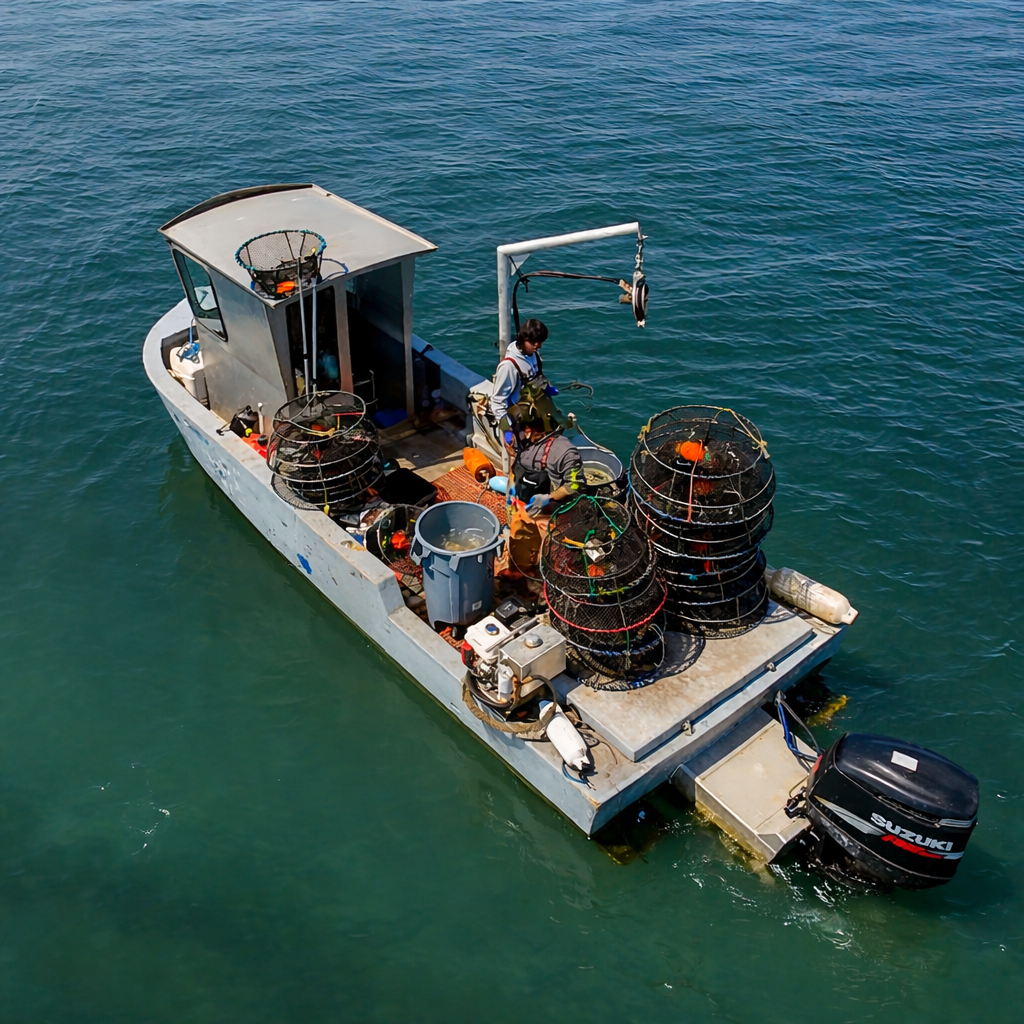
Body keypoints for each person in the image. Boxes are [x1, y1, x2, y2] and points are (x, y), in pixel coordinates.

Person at [489, 318, 560, 442]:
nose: (538, 346)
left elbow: (538, 376)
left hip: (537, 410)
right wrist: (506, 428)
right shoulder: (509, 366)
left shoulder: (533, 354)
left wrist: (546, 387)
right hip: (520, 419)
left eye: (540, 342)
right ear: (523, 340)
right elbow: (496, 402)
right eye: (533, 343)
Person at [512, 414, 585, 516]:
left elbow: (574, 485)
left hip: (550, 501)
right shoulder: (522, 439)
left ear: (528, 430)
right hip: (523, 488)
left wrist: (548, 498)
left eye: (520, 430)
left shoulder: (567, 453)